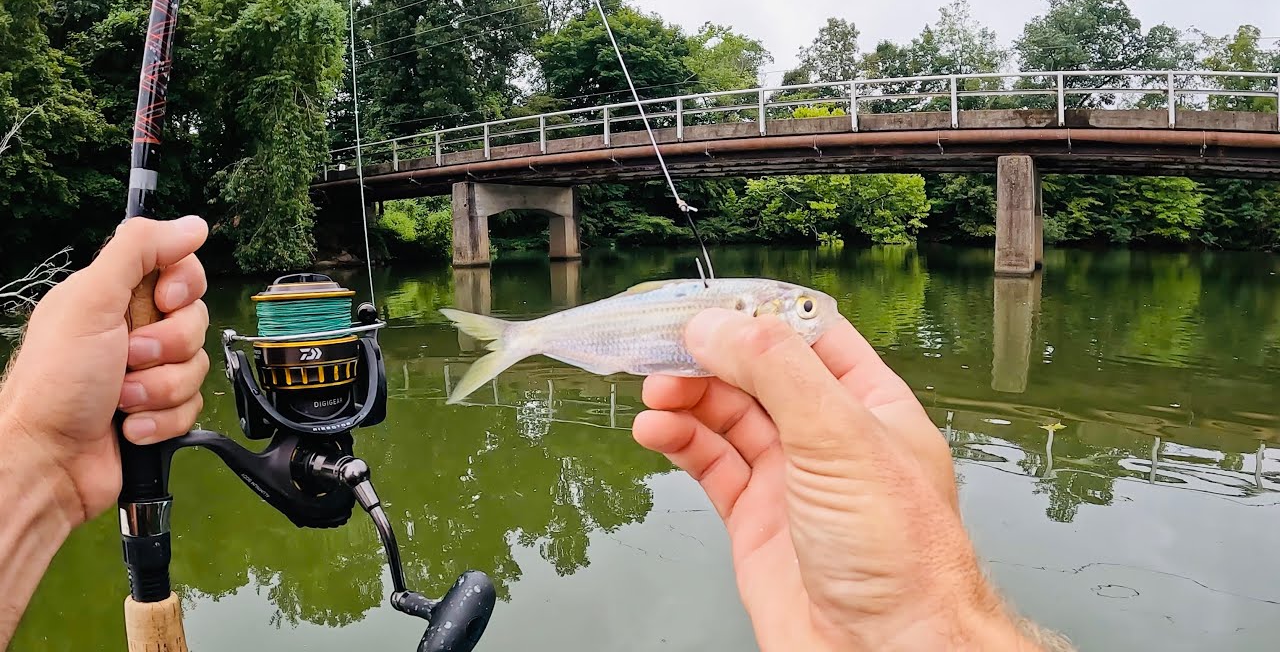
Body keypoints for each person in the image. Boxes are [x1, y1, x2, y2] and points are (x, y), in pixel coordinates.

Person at [0, 215, 1072, 651]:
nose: (804, 320)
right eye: (796, 311)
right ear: (754, 316)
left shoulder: (739, 319)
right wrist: (928, 623)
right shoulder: (735, 313)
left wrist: (42, 464)